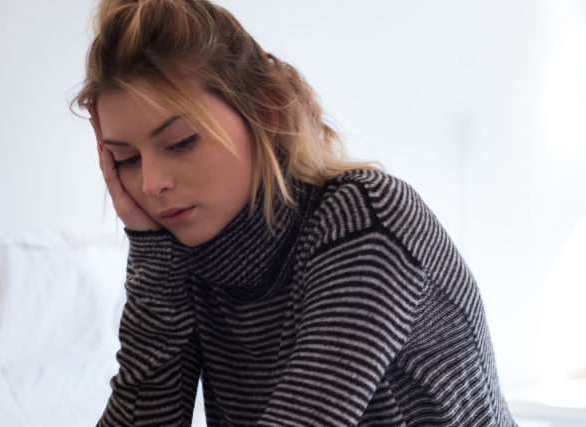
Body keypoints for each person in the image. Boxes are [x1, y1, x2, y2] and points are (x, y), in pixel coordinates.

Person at [74, 0, 516, 425]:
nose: (151, 184)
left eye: (181, 142)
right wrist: (153, 258)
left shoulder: (367, 219)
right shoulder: (183, 255)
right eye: (127, 159)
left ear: (264, 111)